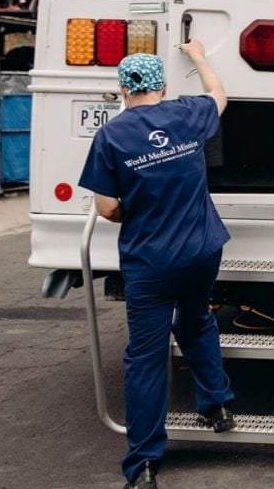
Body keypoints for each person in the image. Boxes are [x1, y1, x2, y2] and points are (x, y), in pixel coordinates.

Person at [78, 44, 236, 489]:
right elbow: (220, 95)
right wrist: (200, 56)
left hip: (150, 261)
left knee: (145, 358)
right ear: (163, 87)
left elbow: (107, 209)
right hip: (203, 250)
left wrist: (139, 209)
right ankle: (217, 404)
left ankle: (144, 462)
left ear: (122, 89)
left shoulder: (111, 137)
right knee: (197, 319)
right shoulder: (186, 114)